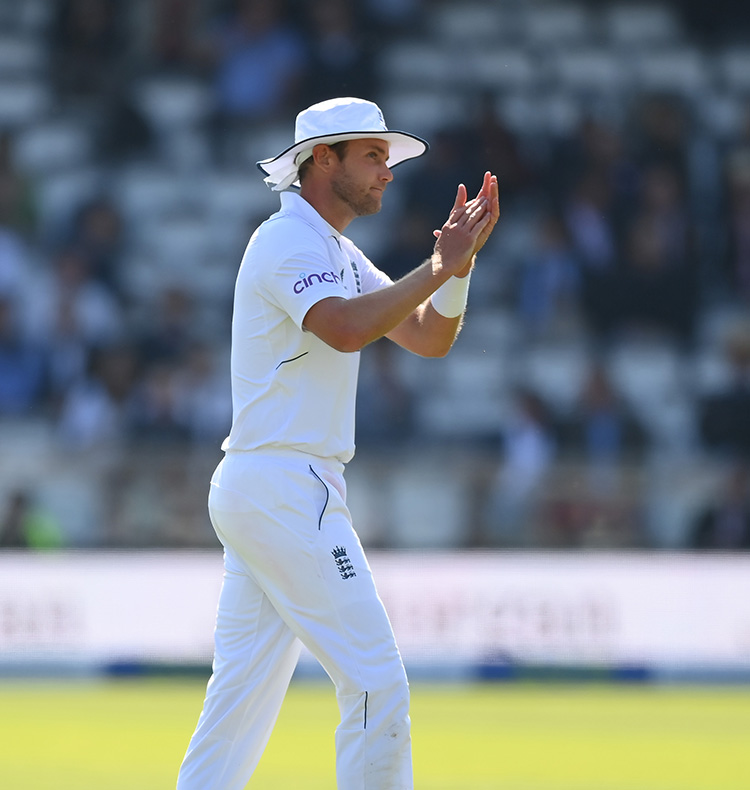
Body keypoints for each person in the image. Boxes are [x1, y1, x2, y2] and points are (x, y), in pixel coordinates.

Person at [176, 96, 499, 790]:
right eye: (373, 157)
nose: (387, 173)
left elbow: (428, 336)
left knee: (235, 711)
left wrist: (459, 269)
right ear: (323, 160)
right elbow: (346, 329)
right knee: (378, 683)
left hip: (273, 488)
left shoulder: (338, 252)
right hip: (284, 487)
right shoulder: (285, 240)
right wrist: (438, 267)